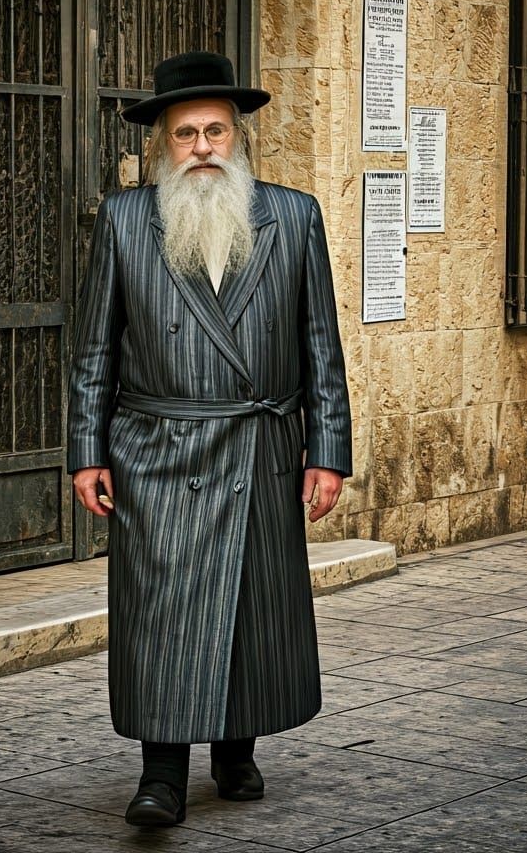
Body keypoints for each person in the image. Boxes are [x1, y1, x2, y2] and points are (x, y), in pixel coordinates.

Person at [67, 51, 351, 827]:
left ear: (238, 136)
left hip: (259, 445)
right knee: (163, 611)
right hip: (158, 450)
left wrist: (327, 452)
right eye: (185, 133)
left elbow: (320, 343)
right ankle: (160, 775)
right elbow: (94, 348)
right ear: (163, 144)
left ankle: (236, 751)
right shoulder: (127, 220)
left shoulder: (293, 216)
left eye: (215, 130)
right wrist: (85, 451)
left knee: (253, 603)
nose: (201, 146)